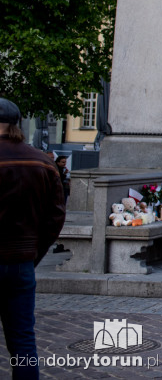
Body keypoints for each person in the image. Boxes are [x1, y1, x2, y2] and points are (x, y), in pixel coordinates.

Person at [1, 98, 66, 379]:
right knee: (23, 341)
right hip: (21, 263)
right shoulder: (43, 162)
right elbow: (55, 216)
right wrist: (34, 251)